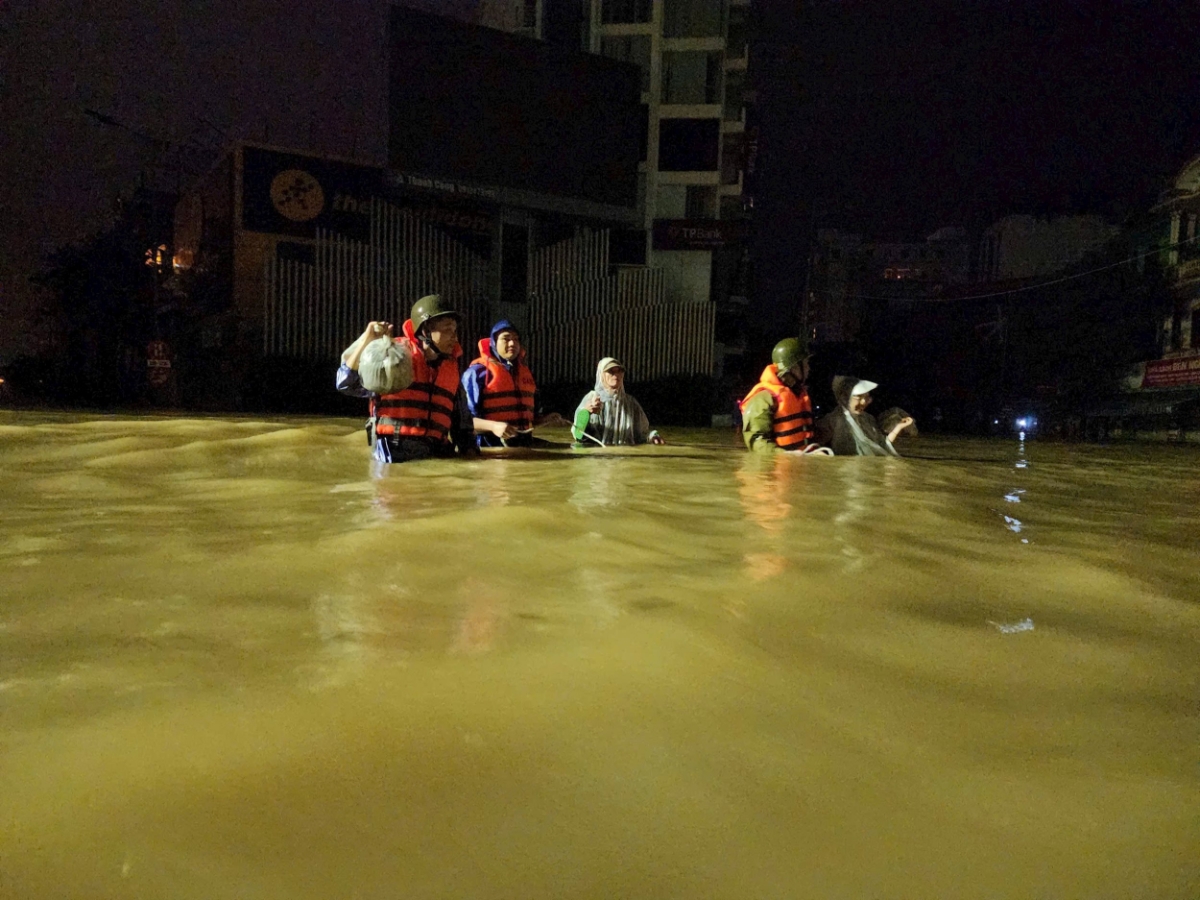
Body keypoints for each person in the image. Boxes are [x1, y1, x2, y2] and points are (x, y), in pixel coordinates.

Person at [336, 294, 475, 463]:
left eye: (455, 331)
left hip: (437, 454)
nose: (455, 338)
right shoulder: (395, 360)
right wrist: (368, 339)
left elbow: (462, 428)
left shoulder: (451, 370)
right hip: (395, 453)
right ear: (426, 331)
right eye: (447, 330)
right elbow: (346, 384)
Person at [461, 319, 567, 448]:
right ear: (493, 343)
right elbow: (464, 422)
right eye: (506, 339)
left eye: (516, 339)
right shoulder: (476, 373)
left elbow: (527, 421)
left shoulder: (524, 373)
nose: (512, 343)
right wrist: (494, 426)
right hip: (490, 447)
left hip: (524, 444)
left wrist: (545, 420)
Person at [739, 337, 827, 454]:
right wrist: (786, 456)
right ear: (794, 368)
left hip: (801, 464)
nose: (808, 368)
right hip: (779, 468)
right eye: (805, 364)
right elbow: (757, 442)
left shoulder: (798, 394)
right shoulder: (764, 399)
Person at [813, 376, 915, 456]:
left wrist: (898, 427)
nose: (864, 402)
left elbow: (882, 446)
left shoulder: (868, 419)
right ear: (844, 397)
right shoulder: (832, 420)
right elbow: (814, 446)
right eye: (858, 397)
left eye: (866, 397)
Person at [573, 358, 664, 446]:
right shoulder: (591, 399)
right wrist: (586, 413)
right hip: (598, 457)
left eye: (619, 371)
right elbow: (578, 435)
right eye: (611, 371)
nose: (616, 375)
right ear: (602, 375)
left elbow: (641, 435)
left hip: (624, 456)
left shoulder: (631, 403)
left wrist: (653, 437)